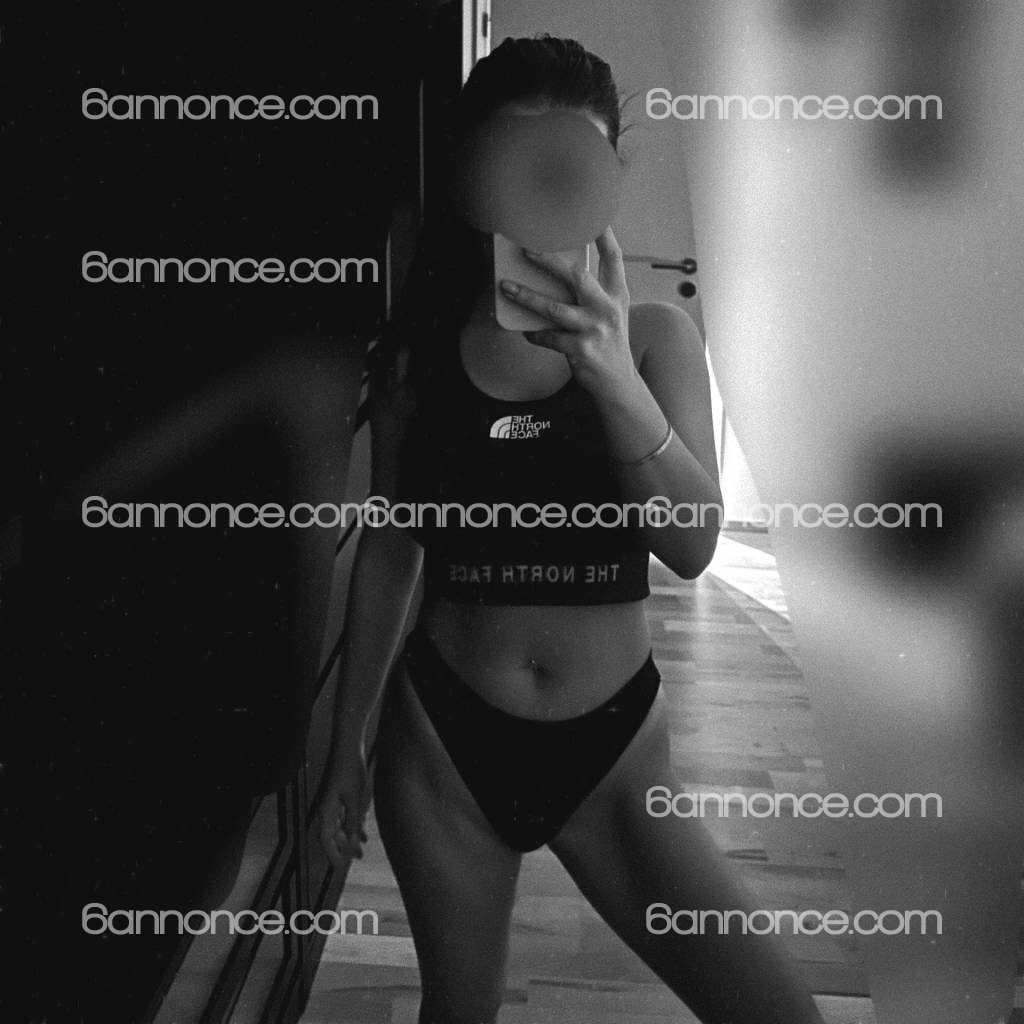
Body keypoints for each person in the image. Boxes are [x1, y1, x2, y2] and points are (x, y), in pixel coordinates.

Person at [316, 35, 825, 1024]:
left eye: (572, 164)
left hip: (616, 756)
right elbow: (392, 546)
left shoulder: (654, 339)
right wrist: (346, 748)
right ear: (474, 176)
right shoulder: (419, 352)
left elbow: (692, 545)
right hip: (443, 743)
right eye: (519, 160)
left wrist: (611, 377)